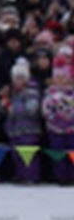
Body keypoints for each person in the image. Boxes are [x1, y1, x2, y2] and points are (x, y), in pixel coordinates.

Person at [3, 60, 42, 184]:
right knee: (17, 155)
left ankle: (31, 176)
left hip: (29, 129)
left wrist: (14, 108)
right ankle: (21, 176)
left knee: (28, 155)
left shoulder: (32, 92)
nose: (17, 81)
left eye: (20, 78)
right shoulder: (12, 94)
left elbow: (32, 109)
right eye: (15, 78)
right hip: (15, 130)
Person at [42, 55, 74, 185]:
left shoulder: (72, 94)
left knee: (71, 153)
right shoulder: (50, 94)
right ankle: (61, 177)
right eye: (58, 78)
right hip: (55, 128)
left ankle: (72, 176)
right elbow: (46, 109)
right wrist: (53, 119)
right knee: (58, 154)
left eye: (63, 78)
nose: (61, 81)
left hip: (71, 129)